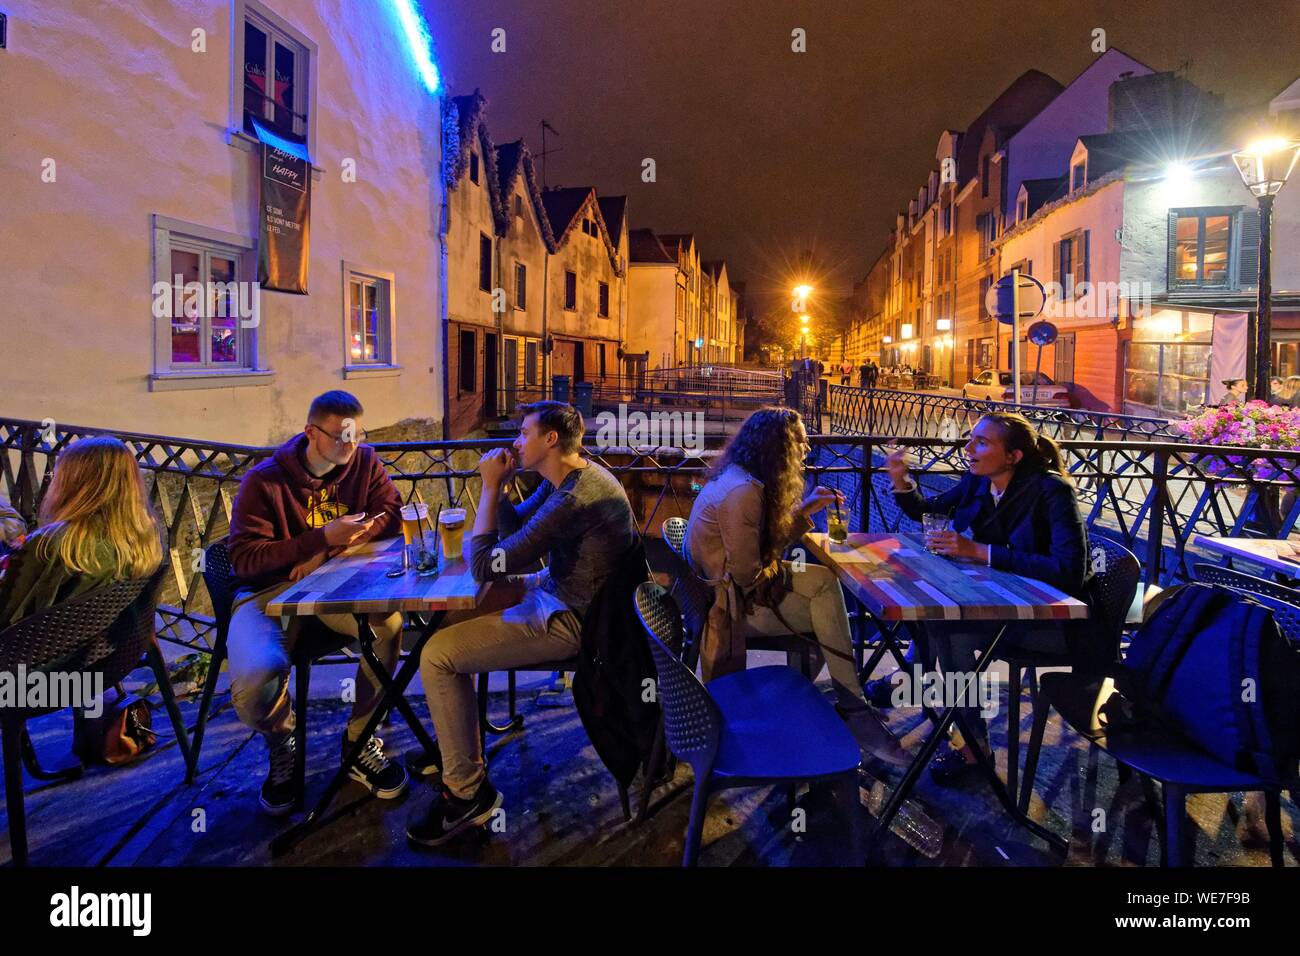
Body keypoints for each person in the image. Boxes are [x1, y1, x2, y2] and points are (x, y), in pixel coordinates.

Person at [407, 401, 637, 846]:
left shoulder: (574, 496)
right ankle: (459, 752)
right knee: (446, 619)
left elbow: (483, 565)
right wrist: (506, 488)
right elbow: (518, 531)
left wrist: (489, 490)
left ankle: (466, 795)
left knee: (436, 657)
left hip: (577, 620)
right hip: (558, 590)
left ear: (550, 440)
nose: (515, 441)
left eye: (523, 433)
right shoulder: (568, 478)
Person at [684, 406, 910, 767]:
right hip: (727, 608)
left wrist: (804, 511)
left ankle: (834, 706)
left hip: (722, 593)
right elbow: (747, 575)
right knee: (827, 613)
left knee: (824, 585)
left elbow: (758, 551)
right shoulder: (743, 493)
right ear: (778, 448)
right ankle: (850, 711)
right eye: (801, 443)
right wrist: (783, 569)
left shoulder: (739, 478)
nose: (807, 449)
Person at [227, 390, 407, 815]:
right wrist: (319, 539)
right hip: (267, 594)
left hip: (336, 584)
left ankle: (360, 737)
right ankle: (282, 742)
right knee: (258, 675)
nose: (351, 445)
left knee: (389, 626)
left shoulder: (363, 461)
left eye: (357, 435)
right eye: (342, 436)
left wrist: (328, 551)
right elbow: (244, 559)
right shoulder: (265, 481)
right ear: (311, 433)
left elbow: (391, 510)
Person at [886, 412, 1089, 784]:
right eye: (970, 439)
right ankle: (914, 677)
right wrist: (902, 481)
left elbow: (1068, 570)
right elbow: (931, 510)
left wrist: (980, 551)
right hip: (1004, 602)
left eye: (981, 442)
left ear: (1013, 457)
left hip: (1050, 621)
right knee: (933, 613)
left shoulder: (1050, 491)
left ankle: (971, 744)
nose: (968, 449)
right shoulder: (978, 482)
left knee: (950, 630)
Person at [0, 436, 163, 630]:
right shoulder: (143, 536)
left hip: (26, 654)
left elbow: (7, 613)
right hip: (91, 651)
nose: (52, 481)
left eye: (58, 475)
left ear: (75, 484)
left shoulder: (52, 543)